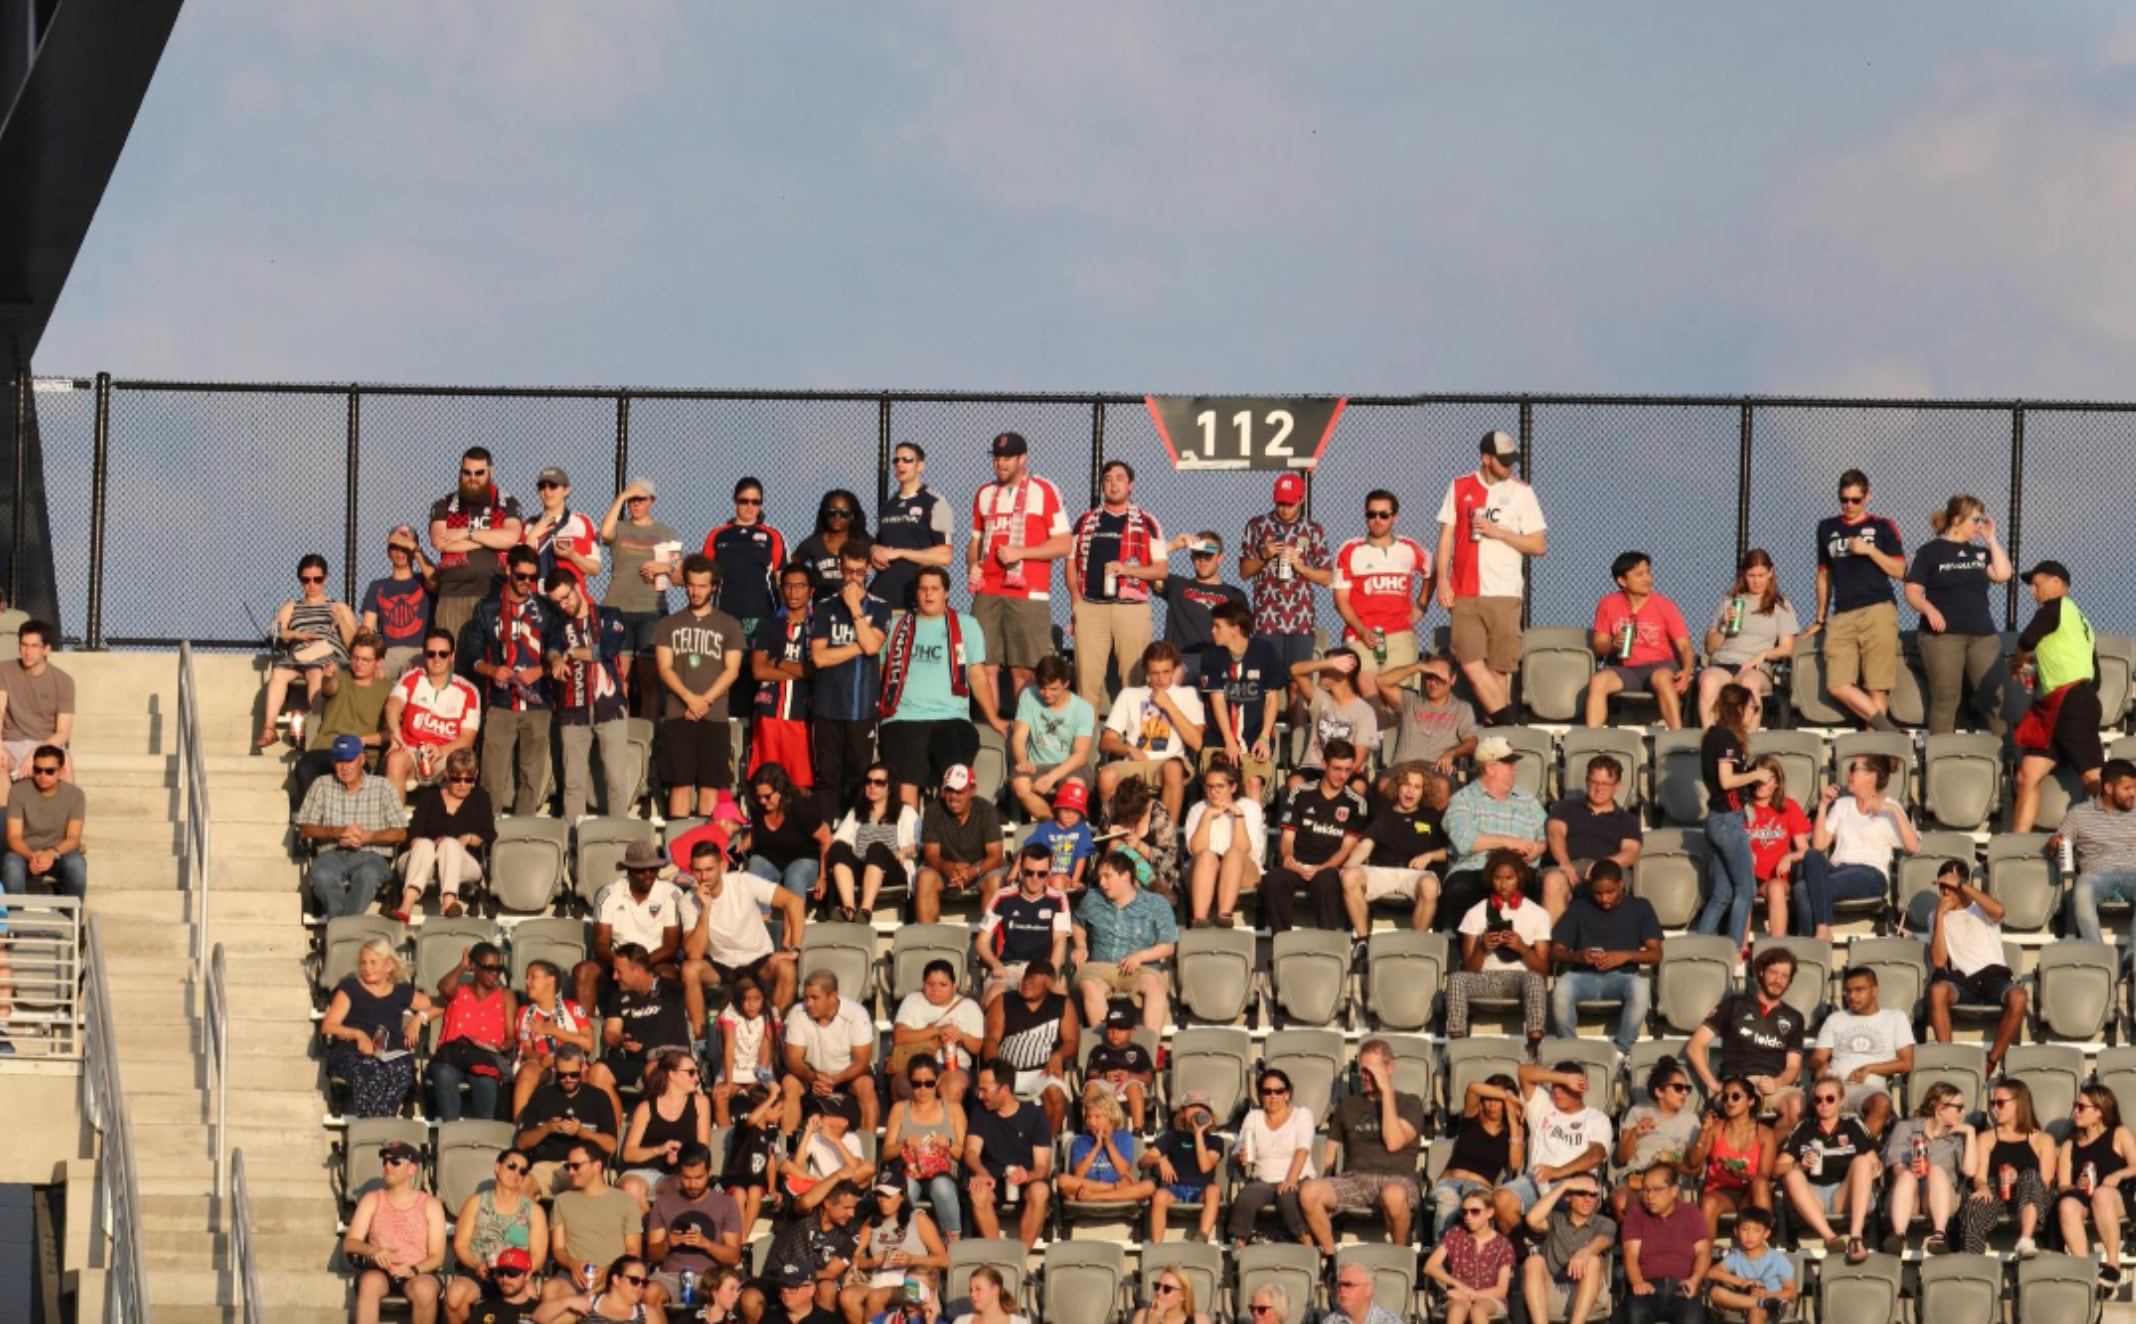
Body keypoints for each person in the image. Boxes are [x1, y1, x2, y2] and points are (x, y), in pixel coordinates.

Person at [1435, 429, 1547, 727]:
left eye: (1512, 461)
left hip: (1505, 593)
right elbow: (1446, 537)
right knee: (1471, 666)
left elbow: (1538, 545)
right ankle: (1510, 726)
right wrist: (1443, 581)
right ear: (1486, 458)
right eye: (1503, 461)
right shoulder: (1459, 486)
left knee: (1499, 671)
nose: (1510, 467)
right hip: (1465, 592)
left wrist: (1500, 533)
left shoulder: (1521, 491)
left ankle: (1498, 741)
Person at [880, 567, 1001, 800]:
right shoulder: (896, 626)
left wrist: (993, 718)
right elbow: (881, 672)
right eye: (923, 589)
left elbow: (976, 675)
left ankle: (950, 834)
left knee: (955, 782)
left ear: (946, 593)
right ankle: (910, 835)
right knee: (906, 782)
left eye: (934, 589)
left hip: (951, 717)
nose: (928, 594)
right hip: (904, 717)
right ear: (916, 593)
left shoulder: (967, 625)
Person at [968, 431, 1071, 705]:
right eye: (997, 457)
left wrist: (1021, 553)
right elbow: (975, 541)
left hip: (1028, 591)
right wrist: (972, 566)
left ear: (1022, 458)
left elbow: (1064, 543)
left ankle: (1024, 734)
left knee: (1025, 669)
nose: (1001, 464)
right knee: (984, 665)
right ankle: (991, 733)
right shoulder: (984, 492)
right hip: (988, 590)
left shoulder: (1044, 490)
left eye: (1008, 458)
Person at [1298, 1037, 1428, 1253]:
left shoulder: (1410, 1103)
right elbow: (1329, 1154)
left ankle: (1399, 1256)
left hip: (1397, 1179)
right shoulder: (1348, 1105)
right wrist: (1317, 1176)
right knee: (1309, 1191)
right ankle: (1330, 1256)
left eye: (1373, 1071)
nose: (1367, 1078)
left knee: (1394, 1195)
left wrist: (1386, 1092)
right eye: (1363, 1071)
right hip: (1354, 1179)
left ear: (1390, 1068)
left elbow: (1394, 1142)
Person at [2011, 559, 2106, 832]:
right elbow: (2095, 677)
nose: (2032, 592)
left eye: (2036, 585)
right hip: (2063, 703)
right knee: (2027, 774)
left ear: (2056, 583)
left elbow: (2026, 641)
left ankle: (2123, 833)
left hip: (2071, 703)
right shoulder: (2081, 620)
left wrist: (2017, 663)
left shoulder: (2054, 607)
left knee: (2092, 777)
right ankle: (2016, 847)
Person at [1904, 495, 2012, 735]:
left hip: (1982, 635)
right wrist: (1929, 608)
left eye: (1982, 520)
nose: (1979, 525)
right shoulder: (1930, 552)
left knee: (1993, 696)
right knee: (1946, 698)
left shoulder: (1979, 553)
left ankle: (2008, 756)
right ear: (1956, 520)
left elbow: (2003, 574)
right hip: (1943, 637)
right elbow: (1912, 591)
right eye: (1975, 520)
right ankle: (1940, 756)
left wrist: (1991, 539)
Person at [1066, 458, 1166, 712]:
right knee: (1086, 683)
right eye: (1108, 479)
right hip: (1091, 607)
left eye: (1119, 479)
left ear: (1130, 485)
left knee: (1135, 682)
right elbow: (1070, 562)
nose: (1113, 485)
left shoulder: (1147, 522)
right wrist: (1077, 602)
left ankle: (1133, 746)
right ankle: (1087, 749)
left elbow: (1160, 570)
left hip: (1131, 608)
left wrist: (1127, 570)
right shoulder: (1085, 521)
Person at [1810, 468, 1906, 731]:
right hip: (1842, 613)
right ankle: (1888, 730)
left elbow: (1899, 570)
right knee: (1837, 684)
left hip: (1878, 608)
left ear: (1868, 497)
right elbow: (1823, 574)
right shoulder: (1827, 527)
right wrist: (1820, 616)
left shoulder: (1882, 526)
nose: (1849, 505)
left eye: (1855, 500)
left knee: (1876, 685)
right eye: (1844, 500)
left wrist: (1869, 550)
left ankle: (1875, 753)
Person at [653, 554, 747, 821]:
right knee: (680, 785)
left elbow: (732, 670)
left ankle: (706, 851)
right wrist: (688, 699)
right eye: (692, 584)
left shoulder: (729, 625)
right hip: (678, 714)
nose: (696, 591)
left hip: (714, 715)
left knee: (710, 786)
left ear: (714, 586)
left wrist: (704, 701)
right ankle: (678, 854)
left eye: (703, 585)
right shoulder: (668, 624)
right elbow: (664, 668)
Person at [468, 546, 558, 815]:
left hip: (538, 702)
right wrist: (492, 670)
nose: (527, 583)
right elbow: (473, 651)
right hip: (501, 702)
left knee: (532, 777)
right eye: (521, 576)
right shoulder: (488, 607)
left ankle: (522, 834)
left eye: (532, 577)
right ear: (508, 571)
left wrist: (541, 670)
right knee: (492, 777)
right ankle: (489, 836)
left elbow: (557, 648)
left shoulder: (545, 608)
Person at [678, 837, 804, 1024]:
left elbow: (794, 901)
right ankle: (700, 1038)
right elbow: (694, 954)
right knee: (689, 970)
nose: (703, 877)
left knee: (787, 968)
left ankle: (775, 1033)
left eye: (709, 870)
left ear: (722, 866)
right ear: (691, 870)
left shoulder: (742, 882)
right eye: (698, 871)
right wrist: (705, 909)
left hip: (758, 960)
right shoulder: (688, 900)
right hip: (721, 964)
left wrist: (794, 949)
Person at [1796, 753, 1918, 940]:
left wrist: (1892, 810)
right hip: (1837, 870)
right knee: (1811, 857)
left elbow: (1913, 847)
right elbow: (1819, 844)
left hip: (1871, 873)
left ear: (1871, 776)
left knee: (1804, 889)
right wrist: (1822, 805)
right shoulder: (1842, 805)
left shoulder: (1891, 808)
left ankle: (1810, 944)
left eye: (1854, 768)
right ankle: (1822, 929)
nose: (1847, 773)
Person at [810, 541, 892, 819]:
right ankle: (826, 837)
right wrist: (861, 645)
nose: (853, 578)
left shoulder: (880, 607)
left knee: (860, 776)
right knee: (828, 776)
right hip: (827, 706)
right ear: (839, 569)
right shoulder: (823, 606)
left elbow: (874, 647)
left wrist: (856, 609)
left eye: (859, 572)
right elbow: (820, 658)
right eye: (848, 572)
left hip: (862, 707)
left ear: (869, 569)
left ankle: (855, 832)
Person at [1687, 946, 1807, 1135]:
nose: (1778, 980)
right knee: (1741, 1104)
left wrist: (1778, 1082)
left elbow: (1793, 1067)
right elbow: (1695, 1046)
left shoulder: (1795, 1017)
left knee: (1797, 1104)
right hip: (1737, 1083)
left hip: (1774, 1086)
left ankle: (1769, 1159)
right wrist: (1715, 1086)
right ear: (1761, 972)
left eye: (1785, 976)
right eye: (1773, 973)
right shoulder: (1734, 1005)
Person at [546, 568, 634, 824]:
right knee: (573, 780)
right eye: (557, 602)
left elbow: (607, 650)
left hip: (610, 705)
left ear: (578, 587)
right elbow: (551, 650)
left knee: (616, 777)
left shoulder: (610, 614)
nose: (564, 605)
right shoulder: (558, 623)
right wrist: (554, 662)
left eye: (566, 597)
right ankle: (575, 839)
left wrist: (572, 653)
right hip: (573, 708)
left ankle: (619, 837)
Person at [1690, 683, 1772, 951]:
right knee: (1745, 891)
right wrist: (1756, 775)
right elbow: (1727, 781)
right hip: (1727, 819)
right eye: (1752, 708)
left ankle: (1700, 951)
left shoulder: (1717, 734)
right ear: (1739, 709)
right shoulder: (1724, 738)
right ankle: (1734, 952)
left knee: (1722, 895)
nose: (1754, 713)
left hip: (1719, 819)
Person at [1549, 860, 1662, 1053]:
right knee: (1561, 990)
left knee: (1640, 989)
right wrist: (1578, 956)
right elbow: (1555, 951)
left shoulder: (1640, 907)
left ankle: (1621, 1051)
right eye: (1598, 893)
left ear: (1621, 885)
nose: (1604, 899)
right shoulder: (1579, 907)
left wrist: (1625, 956)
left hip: (1622, 977)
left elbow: (1656, 953)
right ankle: (1569, 1051)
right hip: (1581, 976)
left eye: (1610, 892)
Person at [1926, 860, 2027, 1074]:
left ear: (1965, 883)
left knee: (2019, 996)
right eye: (1941, 887)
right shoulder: (1935, 915)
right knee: (1937, 991)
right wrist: (1941, 917)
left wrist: (1962, 885)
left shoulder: (1980, 908)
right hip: (1962, 982)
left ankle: (1992, 1061)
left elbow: (1999, 911)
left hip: (1994, 979)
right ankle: (1947, 1060)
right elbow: (1938, 961)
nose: (1945, 892)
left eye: (1950, 887)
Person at [1440, 737, 1552, 928]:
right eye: (1508, 763)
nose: (1514, 768)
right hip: (1476, 869)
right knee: (1459, 889)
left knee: (1543, 885)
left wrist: (1538, 849)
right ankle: (1471, 951)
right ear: (1491, 768)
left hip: (1521, 871)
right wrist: (1510, 842)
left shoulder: (1527, 800)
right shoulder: (1463, 800)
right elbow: (1464, 841)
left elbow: (1547, 837)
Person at [1262, 739, 1368, 936]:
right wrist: (1288, 859)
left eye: (1347, 770)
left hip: (1330, 869)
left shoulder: (1356, 803)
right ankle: (1281, 943)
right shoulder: (1301, 793)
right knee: (1273, 879)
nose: (1342, 775)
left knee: (1326, 881)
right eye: (1337, 768)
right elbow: (1287, 838)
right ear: (1324, 765)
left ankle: (1327, 945)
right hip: (1299, 865)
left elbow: (1347, 849)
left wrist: (1321, 868)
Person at [1331, 489, 1434, 691]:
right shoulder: (1350, 550)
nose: (1377, 520)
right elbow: (1340, 601)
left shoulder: (1409, 548)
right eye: (1371, 514)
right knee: (1366, 683)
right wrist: (1362, 630)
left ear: (1394, 517)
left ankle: (1387, 723)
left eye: (1384, 515)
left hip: (1399, 633)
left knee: (1395, 691)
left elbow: (1432, 570)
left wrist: (1421, 606)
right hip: (1362, 635)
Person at [1448, 848, 1553, 1043]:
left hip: (1520, 980)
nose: (1503, 884)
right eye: (1498, 878)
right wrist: (1483, 948)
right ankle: (1457, 1042)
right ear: (1490, 878)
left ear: (1519, 877)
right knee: (1456, 979)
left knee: (1534, 980)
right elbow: (1469, 969)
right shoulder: (1476, 912)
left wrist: (1522, 948)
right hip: (1485, 978)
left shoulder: (1538, 914)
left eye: (1509, 878)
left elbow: (1543, 971)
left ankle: (1535, 1041)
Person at [1096, 641, 1205, 829]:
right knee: (1106, 775)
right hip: (1135, 761)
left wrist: (1168, 705)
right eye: (1155, 673)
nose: (1161, 679)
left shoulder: (1188, 694)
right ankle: (1116, 834)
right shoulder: (1130, 694)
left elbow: (1196, 742)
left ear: (1174, 669)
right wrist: (1129, 749)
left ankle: (1164, 839)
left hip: (1169, 763)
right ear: (1147, 671)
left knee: (1173, 768)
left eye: (1166, 672)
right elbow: (1106, 742)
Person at [297, 734, 407, 917]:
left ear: (362, 759)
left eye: (349, 760)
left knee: (368, 875)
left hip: (372, 854)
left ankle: (339, 931)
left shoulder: (382, 786)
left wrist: (368, 836)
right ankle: (347, 931)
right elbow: (305, 829)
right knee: (322, 876)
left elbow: (401, 833)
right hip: (331, 854)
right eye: (340, 760)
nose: (345, 766)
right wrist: (337, 832)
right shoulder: (321, 785)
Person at [428, 447, 524, 656]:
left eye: (479, 473)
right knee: (449, 663)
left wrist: (466, 532)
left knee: (490, 662)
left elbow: (510, 539)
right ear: (460, 473)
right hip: (452, 596)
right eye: (467, 472)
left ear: (491, 472)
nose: (473, 478)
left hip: (493, 595)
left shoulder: (507, 503)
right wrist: (491, 538)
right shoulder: (444, 505)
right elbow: (441, 542)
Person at [1239, 473, 1333, 687]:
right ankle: (1266, 722)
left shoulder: (1313, 530)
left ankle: (1298, 723)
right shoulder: (1257, 526)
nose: (1284, 508)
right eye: (1280, 502)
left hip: (1300, 618)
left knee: (1298, 682)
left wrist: (1301, 567)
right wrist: (1264, 555)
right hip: (1267, 617)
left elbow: (1327, 577)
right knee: (1265, 682)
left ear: (1301, 499)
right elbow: (1244, 572)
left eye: (1290, 503)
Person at [598, 478, 680, 722]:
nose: (636, 504)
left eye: (641, 499)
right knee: (618, 677)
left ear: (652, 501)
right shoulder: (620, 528)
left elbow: (680, 576)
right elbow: (604, 534)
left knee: (650, 679)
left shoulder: (666, 533)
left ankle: (648, 738)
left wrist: (663, 566)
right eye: (632, 499)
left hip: (651, 610)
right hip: (617, 607)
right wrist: (621, 497)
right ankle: (619, 732)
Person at [1071, 850, 1178, 1036]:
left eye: (1107, 876)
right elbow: (1077, 922)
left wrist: (1140, 956)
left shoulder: (1156, 904)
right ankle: (1103, 1046)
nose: (1102, 883)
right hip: (1100, 967)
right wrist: (1081, 945)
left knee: (1156, 987)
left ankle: (1150, 1049)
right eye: (1100, 877)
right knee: (1089, 985)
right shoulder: (1092, 899)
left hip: (1140, 969)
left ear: (1126, 876)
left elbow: (1168, 945)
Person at [1495, 1061, 1611, 1233]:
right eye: (1554, 1086)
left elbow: (1596, 1154)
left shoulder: (1596, 1118)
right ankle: (1521, 1254)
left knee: (1582, 1204)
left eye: (1563, 1087)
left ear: (1580, 1088)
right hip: (1535, 1180)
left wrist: (1558, 1172)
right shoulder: (1544, 1104)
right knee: (1501, 1199)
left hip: (1575, 1183)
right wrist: (1563, 1078)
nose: (1556, 1091)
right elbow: (1524, 1072)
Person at [1776, 1075, 1881, 1263]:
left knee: (1862, 1162)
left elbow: (1875, 1164)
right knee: (1792, 1175)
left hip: (1846, 1194)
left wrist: (1875, 1169)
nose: (1824, 1104)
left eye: (1830, 1099)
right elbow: (1777, 1169)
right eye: (1818, 1099)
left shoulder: (1853, 1126)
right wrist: (1799, 1165)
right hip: (1814, 1197)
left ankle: (1855, 1237)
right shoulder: (1804, 1128)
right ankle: (1831, 1238)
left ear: (1841, 1101)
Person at [576, 840, 687, 1017]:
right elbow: (600, 943)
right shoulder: (609, 893)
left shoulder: (671, 894)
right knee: (584, 971)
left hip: (656, 960)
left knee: (667, 974)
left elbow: (671, 947)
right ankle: (584, 1034)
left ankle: (664, 1036)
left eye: (653, 869)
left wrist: (638, 967)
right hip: (616, 960)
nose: (648, 874)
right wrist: (622, 966)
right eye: (641, 870)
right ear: (629, 870)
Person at [321, 937, 430, 1117]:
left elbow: (438, 1005)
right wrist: (357, 1034)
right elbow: (328, 1026)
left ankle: (380, 1125)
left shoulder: (400, 991)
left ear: (388, 966)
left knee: (402, 1068)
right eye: (363, 963)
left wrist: (420, 1018)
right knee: (370, 1068)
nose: (367, 968)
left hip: (390, 1053)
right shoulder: (350, 989)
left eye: (373, 962)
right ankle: (375, 1126)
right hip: (354, 1054)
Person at [1586, 551, 1695, 730]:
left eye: (1648, 572)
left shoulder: (1665, 605)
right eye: (1639, 574)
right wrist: (1614, 646)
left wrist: (1686, 670)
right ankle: (1592, 742)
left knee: (1661, 677)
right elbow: (1599, 645)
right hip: (1627, 669)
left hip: (1660, 666)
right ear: (1622, 581)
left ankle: (1677, 736)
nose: (1647, 579)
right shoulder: (1608, 604)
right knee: (1599, 681)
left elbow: (1685, 646)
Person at [257, 553, 357, 747]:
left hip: (327, 655)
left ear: (325, 579)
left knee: (314, 671)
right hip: (299, 655)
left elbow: (353, 644)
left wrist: (341, 622)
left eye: (317, 580)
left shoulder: (338, 607)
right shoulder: (292, 606)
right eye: (306, 580)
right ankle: (269, 729)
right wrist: (297, 635)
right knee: (278, 672)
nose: (312, 585)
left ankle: (318, 727)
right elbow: (275, 631)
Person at [1340, 760, 1446, 936]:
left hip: (1415, 875)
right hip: (1382, 871)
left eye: (1417, 787)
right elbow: (1365, 845)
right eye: (1406, 785)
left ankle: (1417, 945)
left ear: (1423, 791)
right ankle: (1362, 939)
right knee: (1349, 876)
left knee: (1429, 885)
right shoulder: (1383, 814)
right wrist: (1347, 866)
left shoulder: (1432, 816)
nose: (1410, 791)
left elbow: (1448, 852)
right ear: (1398, 787)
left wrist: (1430, 856)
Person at [346, 1141, 448, 1324]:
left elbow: (437, 1256)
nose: (387, 1166)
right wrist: (373, 1251)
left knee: (425, 1288)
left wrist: (413, 1270)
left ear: (412, 1169)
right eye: (384, 1162)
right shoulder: (372, 1199)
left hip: (417, 1271)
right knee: (369, 1283)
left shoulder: (430, 1204)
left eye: (395, 1162)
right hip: (380, 1270)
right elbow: (350, 1242)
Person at [1808, 966, 1914, 1142]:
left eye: (1859, 990)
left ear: (1875, 991)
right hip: (1835, 1086)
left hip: (1869, 1091)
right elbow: (1817, 1058)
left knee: (1881, 1103)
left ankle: (1860, 1151)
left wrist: (1870, 1068)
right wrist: (1821, 1068)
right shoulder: (1835, 1019)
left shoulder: (1895, 1018)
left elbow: (1906, 1063)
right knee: (1804, 1101)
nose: (1852, 996)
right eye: (1848, 991)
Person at [1696, 549, 1798, 729]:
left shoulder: (1781, 605)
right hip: (1724, 662)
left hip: (1756, 666)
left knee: (1748, 684)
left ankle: (1748, 745)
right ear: (1744, 574)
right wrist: (1723, 626)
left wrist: (1763, 655)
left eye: (1761, 575)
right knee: (1708, 682)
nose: (1757, 581)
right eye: (1751, 575)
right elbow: (1711, 648)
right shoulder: (1730, 601)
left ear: (1770, 573)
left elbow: (1787, 648)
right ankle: (1709, 741)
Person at [291, 632, 394, 809]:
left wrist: (365, 740)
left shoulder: (388, 690)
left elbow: (390, 733)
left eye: (365, 660)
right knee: (304, 765)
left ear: (379, 662)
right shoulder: (341, 677)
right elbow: (329, 688)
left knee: (355, 772)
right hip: (328, 748)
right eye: (355, 658)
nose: (358, 664)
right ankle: (313, 823)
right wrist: (329, 676)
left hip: (361, 754)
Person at [1196, 600, 1286, 802]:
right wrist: (1229, 741)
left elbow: (1272, 698)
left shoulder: (1265, 652)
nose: (1212, 631)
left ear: (1235, 630)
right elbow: (1217, 700)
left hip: (1255, 738)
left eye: (1218, 626)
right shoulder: (1211, 654)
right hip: (1219, 740)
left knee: (1253, 784)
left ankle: (1253, 832)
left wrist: (1264, 737)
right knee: (1220, 786)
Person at [444, 1154, 550, 1324]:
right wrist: (476, 1265)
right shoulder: (476, 1202)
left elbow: (538, 1256)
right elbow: (460, 1246)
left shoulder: (534, 1210)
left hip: (516, 1274)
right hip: (481, 1271)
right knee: (455, 1296)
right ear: (497, 1167)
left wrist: (522, 1273)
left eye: (522, 1171)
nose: (516, 1173)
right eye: (511, 1166)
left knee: (529, 1298)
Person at [1957, 1078, 2057, 1257]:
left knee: (2030, 1176)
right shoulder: (1987, 1138)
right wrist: (1983, 1186)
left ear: (2019, 1103)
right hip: (1996, 1192)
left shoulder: (2042, 1139)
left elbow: (2046, 1183)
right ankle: (1972, 1261)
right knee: (1975, 1203)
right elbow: (1979, 1177)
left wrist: (2017, 1178)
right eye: (1993, 1103)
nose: (1995, 1109)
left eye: (2001, 1103)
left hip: (2031, 1196)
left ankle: (2025, 1240)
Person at [383, 627, 483, 802]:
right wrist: (396, 733)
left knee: (461, 765)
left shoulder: (469, 691)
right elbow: (393, 705)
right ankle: (396, 825)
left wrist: (441, 750)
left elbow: (467, 739)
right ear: (424, 656)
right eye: (431, 654)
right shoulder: (412, 678)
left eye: (443, 654)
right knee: (395, 759)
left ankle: (452, 824)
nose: (437, 659)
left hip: (447, 754)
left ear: (452, 656)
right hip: (412, 751)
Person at [963, 1059, 1054, 1250]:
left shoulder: (1035, 1117)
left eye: (985, 1090)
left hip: (1024, 1179)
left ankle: (1020, 1258)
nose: (979, 1096)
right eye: (979, 1090)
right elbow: (971, 1152)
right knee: (978, 1193)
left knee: (1040, 1190)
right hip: (993, 1177)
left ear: (1004, 1090)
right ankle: (997, 1257)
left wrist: (1027, 1175)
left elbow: (1042, 1167)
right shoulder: (981, 1113)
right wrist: (982, 1172)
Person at [394, 748, 494, 921]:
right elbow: (414, 836)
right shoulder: (429, 796)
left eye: (468, 779)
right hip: (423, 858)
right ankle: (406, 905)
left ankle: (449, 902)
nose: (463, 784)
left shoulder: (480, 798)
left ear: (475, 776)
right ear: (447, 775)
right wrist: (434, 845)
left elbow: (488, 835)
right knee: (424, 844)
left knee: (449, 844)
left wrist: (467, 838)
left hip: (463, 860)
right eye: (457, 778)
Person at [643, 1143, 744, 1311]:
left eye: (698, 1178)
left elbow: (733, 1257)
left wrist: (706, 1244)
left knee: (724, 1295)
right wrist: (668, 1243)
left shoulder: (727, 1204)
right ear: (678, 1174)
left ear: (709, 1172)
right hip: (670, 1276)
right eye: (686, 1178)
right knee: (649, 1294)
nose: (692, 1185)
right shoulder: (663, 1203)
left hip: (712, 1278)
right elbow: (653, 1255)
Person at [981, 961, 1078, 1134]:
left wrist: (1058, 1056)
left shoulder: (1062, 1004)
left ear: (1048, 983)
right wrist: (995, 1069)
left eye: (1033, 982)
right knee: (991, 1092)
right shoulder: (1003, 1001)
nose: (1026, 984)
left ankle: (1046, 1146)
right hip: (1008, 1070)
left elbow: (1072, 1042)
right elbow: (992, 1039)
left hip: (1042, 1071)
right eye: (1025, 979)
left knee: (1055, 1095)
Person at [1882, 1081, 1978, 1254]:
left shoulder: (1957, 1137)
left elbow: (1970, 1171)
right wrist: (1911, 1170)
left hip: (1939, 1197)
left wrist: (1970, 1133)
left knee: (1936, 1171)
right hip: (1907, 1196)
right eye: (1959, 1107)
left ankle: (1940, 1235)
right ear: (1940, 1109)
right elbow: (1896, 1169)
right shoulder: (1906, 1128)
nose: (1963, 1112)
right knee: (1906, 1176)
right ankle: (1897, 1236)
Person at [512, 963, 614, 1124]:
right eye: (527, 977)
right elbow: (525, 1048)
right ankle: (521, 1126)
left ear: (550, 980)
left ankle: (604, 1126)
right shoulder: (525, 1012)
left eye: (533, 977)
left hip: (573, 1064)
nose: (527, 982)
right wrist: (540, 1057)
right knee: (527, 1072)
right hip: (544, 1065)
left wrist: (554, 1031)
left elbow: (588, 1043)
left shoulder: (572, 1008)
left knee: (594, 1074)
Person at [429, 941, 518, 1124]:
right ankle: (450, 1132)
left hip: (485, 1056)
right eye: (488, 968)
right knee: (444, 1075)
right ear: (474, 967)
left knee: (485, 1081)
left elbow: (511, 1036)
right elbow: (444, 988)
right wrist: (462, 967)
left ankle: (484, 1136)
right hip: (452, 1056)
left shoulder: (505, 996)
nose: (495, 973)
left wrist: (501, 1047)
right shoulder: (459, 990)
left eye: (498, 968)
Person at [2058, 1084, 2136, 1290]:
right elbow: (2063, 1186)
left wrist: (2119, 1174)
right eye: (2075, 1105)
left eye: (2082, 1107)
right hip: (2083, 1198)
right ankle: (2084, 1272)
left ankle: (2113, 1265)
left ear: (2100, 1111)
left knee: (2101, 1195)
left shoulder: (2119, 1134)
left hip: (2115, 1196)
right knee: (2066, 1205)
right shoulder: (2069, 1145)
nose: (2076, 1111)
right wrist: (2076, 1185)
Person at [515, 1044, 621, 1195]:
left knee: (587, 1191)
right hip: (548, 1166)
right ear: (555, 1071)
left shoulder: (598, 1098)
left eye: (573, 1074)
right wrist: (547, 1128)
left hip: (586, 1166)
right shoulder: (541, 1096)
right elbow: (521, 1143)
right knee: (523, 1187)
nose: (568, 1079)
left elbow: (611, 1146)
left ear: (582, 1068)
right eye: (561, 1075)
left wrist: (581, 1132)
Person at [883, 1054, 968, 1242]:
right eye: (917, 1084)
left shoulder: (952, 1109)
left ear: (937, 1082)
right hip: (910, 1170)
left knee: (942, 1188)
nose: (923, 1089)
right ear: (910, 1083)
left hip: (943, 1171)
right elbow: (887, 1152)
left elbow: (962, 1153)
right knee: (907, 1190)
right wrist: (904, 1144)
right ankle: (903, 1239)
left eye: (928, 1083)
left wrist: (948, 1144)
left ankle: (953, 1241)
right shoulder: (900, 1109)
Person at [1541, 754, 1643, 910]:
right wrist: (1565, 862)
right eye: (1594, 782)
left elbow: (1631, 852)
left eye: (1606, 784)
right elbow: (1556, 834)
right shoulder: (1565, 808)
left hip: (1608, 871)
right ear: (1587, 781)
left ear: (1617, 786)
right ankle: (1556, 935)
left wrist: (1602, 866)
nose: (1599, 788)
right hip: (1567, 868)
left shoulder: (1628, 820)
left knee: (1608, 883)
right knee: (1553, 880)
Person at [782, 970, 881, 1132]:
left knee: (866, 1086)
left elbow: (862, 1062)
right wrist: (813, 1077)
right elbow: (794, 1059)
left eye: (815, 998)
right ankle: (788, 1146)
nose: (808, 1004)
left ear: (833, 996)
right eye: (806, 997)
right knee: (789, 1083)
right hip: (811, 1074)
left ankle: (867, 1147)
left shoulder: (856, 1014)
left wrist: (835, 1080)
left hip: (848, 1075)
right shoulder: (797, 1013)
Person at [1227, 1067, 1315, 1246]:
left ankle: (1307, 1243)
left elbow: (1302, 1150)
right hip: (1264, 1181)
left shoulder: (1302, 1115)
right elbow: (1237, 1151)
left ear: (1287, 1093)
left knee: (1287, 1197)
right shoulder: (1253, 1117)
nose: (1272, 1096)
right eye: (1267, 1092)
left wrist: (1290, 1180)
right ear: (1261, 1095)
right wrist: (1240, 1156)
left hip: (1296, 1178)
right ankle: (1239, 1245)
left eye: (1278, 1091)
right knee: (1247, 1196)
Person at [1431, 1074, 1523, 1242]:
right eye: (1489, 1098)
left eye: (1498, 1101)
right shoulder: (1471, 1117)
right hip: (1450, 1183)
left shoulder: (1513, 1131)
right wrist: (1505, 1095)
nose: (1493, 1104)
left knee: (1476, 1212)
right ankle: (1439, 1261)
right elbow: (1473, 1086)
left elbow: (1515, 1164)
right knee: (1447, 1208)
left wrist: (1513, 1120)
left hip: (1480, 1189)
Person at [750, 564, 818, 791]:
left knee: (800, 786)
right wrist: (801, 670)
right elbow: (759, 671)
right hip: (769, 714)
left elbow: (816, 671)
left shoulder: (819, 626)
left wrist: (778, 663)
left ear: (811, 591)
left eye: (800, 586)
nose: (793, 592)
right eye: (788, 586)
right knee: (767, 784)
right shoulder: (768, 624)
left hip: (802, 714)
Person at [841, 1181, 948, 1324]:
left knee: (875, 1298)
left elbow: (944, 1260)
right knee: (846, 1296)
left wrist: (911, 1260)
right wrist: (872, 1262)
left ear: (902, 1196)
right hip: (879, 1280)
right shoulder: (872, 1222)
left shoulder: (918, 1219)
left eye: (888, 1196)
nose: (882, 1201)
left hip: (910, 1282)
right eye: (879, 1195)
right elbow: (851, 1258)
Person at [618, 1048, 713, 1209]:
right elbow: (628, 1154)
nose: (697, 1078)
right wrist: (660, 1150)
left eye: (698, 1072)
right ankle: (650, 1229)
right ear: (672, 1074)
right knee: (631, 1189)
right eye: (691, 1072)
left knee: (678, 1189)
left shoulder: (700, 1103)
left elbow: (703, 1148)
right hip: (640, 1171)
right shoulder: (646, 1107)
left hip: (676, 1173)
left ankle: (658, 1230)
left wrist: (681, 1156)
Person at [824, 762, 919, 922]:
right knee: (838, 847)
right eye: (869, 781)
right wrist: (849, 849)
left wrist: (904, 851)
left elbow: (920, 843)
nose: (872, 786)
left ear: (890, 787)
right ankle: (849, 909)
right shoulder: (856, 812)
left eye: (879, 782)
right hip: (862, 869)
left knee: (876, 848)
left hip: (892, 869)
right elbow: (839, 840)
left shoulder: (905, 812)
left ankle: (866, 910)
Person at [975, 845, 1072, 1003]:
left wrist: (1051, 974)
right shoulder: (1002, 897)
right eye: (1029, 873)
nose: (1035, 878)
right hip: (1008, 968)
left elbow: (1059, 940)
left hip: (1042, 968)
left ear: (1049, 872)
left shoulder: (1058, 899)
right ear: (1020, 869)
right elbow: (981, 942)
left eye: (1041, 874)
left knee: (1060, 996)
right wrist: (995, 965)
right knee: (995, 993)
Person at [547, 1141, 645, 1297]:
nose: (571, 1172)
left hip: (615, 1277)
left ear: (597, 1166)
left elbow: (633, 1251)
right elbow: (558, 1249)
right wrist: (573, 1265)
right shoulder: (562, 1201)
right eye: (568, 1167)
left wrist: (608, 1272)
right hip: (573, 1277)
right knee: (550, 1290)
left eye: (576, 1166)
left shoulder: (625, 1201)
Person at [703, 477, 787, 656]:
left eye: (755, 502)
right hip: (725, 615)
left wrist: (785, 617)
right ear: (735, 500)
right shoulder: (717, 535)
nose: (750, 507)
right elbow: (704, 577)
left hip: (762, 617)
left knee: (757, 673)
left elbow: (781, 578)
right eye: (744, 501)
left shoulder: (772, 535)